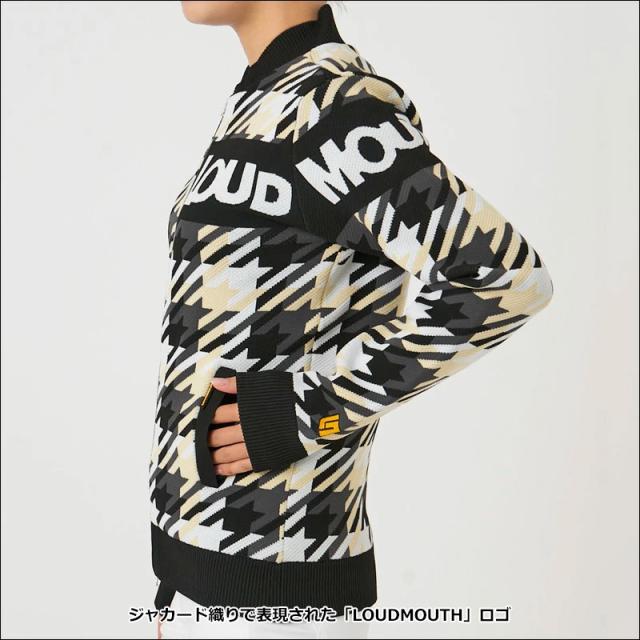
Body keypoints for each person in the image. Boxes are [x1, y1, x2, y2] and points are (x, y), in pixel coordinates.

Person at [150, 1, 555, 638]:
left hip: (280, 591)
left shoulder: (335, 107)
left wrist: (308, 410)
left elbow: (501, 280)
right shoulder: (264, 98)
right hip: (202, 578)